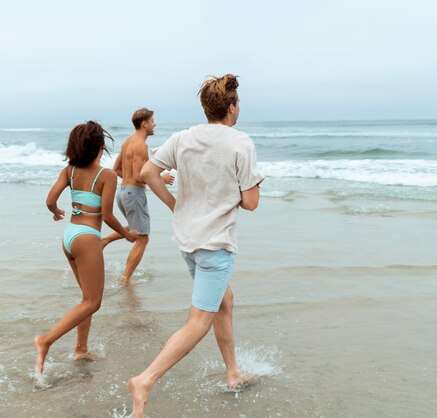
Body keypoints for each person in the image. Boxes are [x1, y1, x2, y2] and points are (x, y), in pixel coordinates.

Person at [127, 74, 265, 417]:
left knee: (224, 300)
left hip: (187, 241)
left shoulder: (183, 138)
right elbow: (251, 203)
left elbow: (147, 172)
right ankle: (145, 380)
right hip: (214, 245)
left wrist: (175, 205)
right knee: (198, 321)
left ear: (207, 108)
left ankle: (232, 372)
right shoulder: (240, 143)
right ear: (231, 108)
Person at [34, 121, 138, 374]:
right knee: (93, 302)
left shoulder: (69, 171)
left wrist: (56, 211)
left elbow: (50, 200)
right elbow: (107, 215)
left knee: (86, 299)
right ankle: (45, 340)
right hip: (88, 238)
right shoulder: (107, 175)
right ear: (101, 147)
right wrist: (126, 234)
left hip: (70, 236)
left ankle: (81, 348)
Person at [102, 108, 174, 285]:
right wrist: (161, 178)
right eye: (152, 121)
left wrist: (128, 184)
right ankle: (125, 278)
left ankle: (105, 240)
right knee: (143, 237)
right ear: (144, 124)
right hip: (133, 193)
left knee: (136, 228)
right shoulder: (141, 146)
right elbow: (140, 176)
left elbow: (116, 170)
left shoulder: (128, 142)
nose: (154, 124)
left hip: (123, 192)